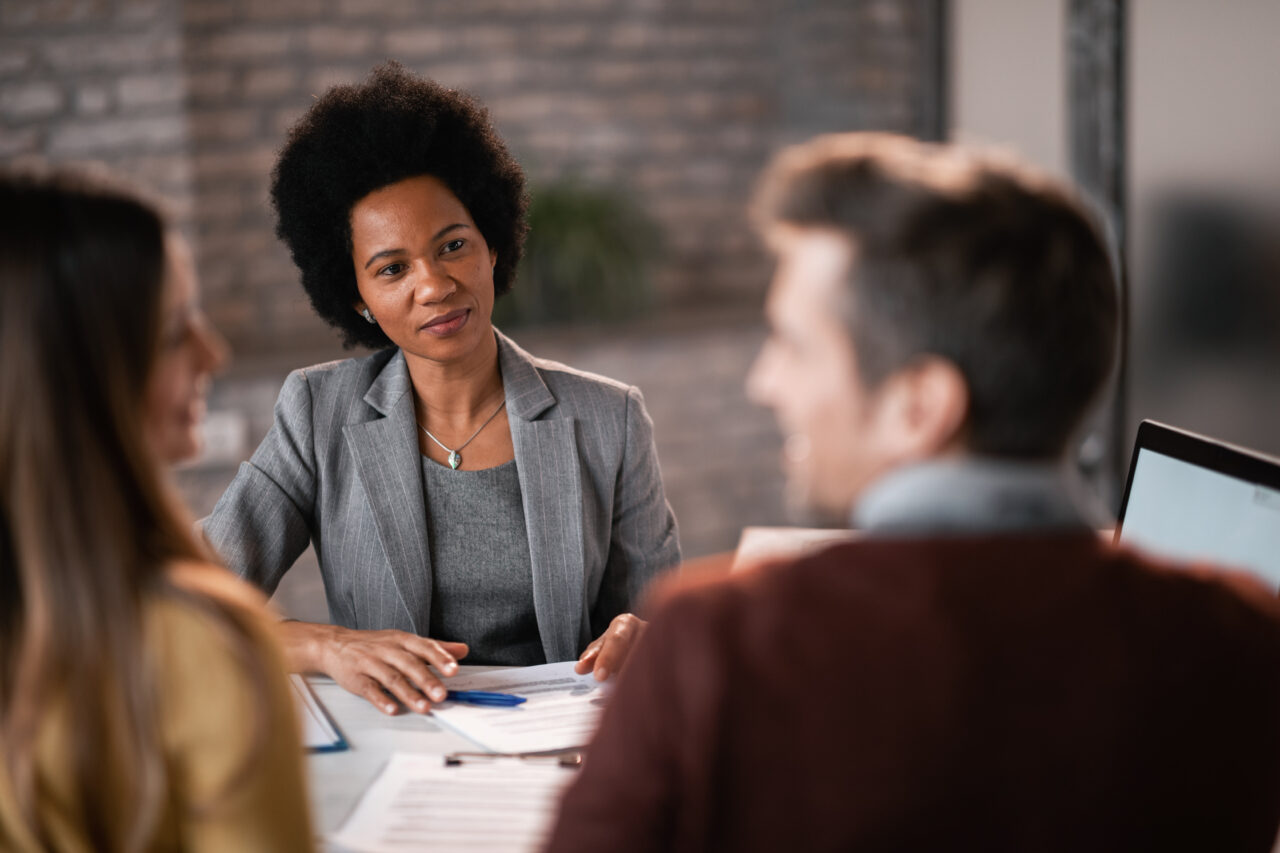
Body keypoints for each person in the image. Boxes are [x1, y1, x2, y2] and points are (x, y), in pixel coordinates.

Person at [546, 134, 1280, 852]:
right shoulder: (1238, 638)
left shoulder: (721, 646)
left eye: (795, 345)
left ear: (919, 406)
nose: (764, 382)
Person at [201, 62, 680, 715]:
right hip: (398, 742)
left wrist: (645, 633)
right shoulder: (317, 413)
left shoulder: (609, 417)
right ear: (358, 297)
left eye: (453, 245)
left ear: (491, 244)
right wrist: (324, 644)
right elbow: (190, 596)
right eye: (392, 268)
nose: (433, 285)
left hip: (562, 748)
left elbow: (661, 623)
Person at [0, 171, 313, 851]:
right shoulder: (205, 647)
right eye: (176, 331)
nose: (214, 353)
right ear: (79, 369)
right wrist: (318, 642)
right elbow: (238, 548)